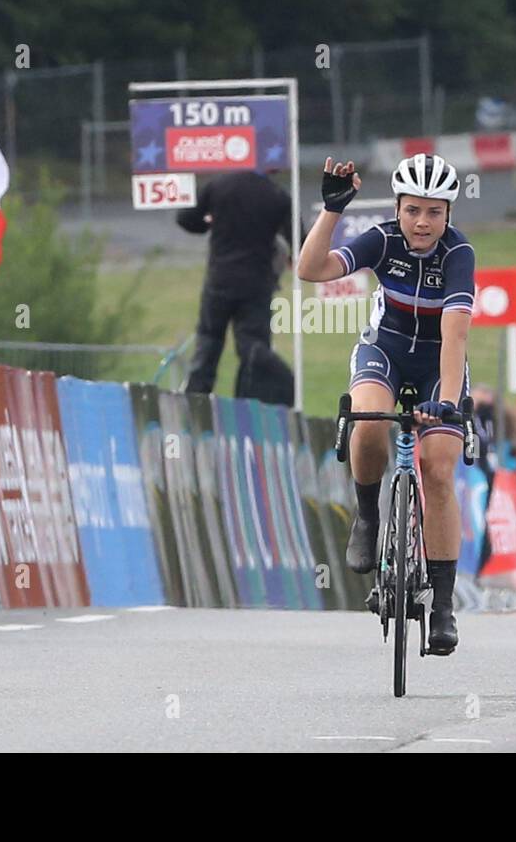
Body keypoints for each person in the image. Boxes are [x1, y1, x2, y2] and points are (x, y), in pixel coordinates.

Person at [297, 152, 473, 656]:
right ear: (397, 208)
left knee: (439, 470)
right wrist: (332, 210)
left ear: (448, 215)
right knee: (368, 423)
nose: (423, 222)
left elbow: (455, 333)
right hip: (386, 350)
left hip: (440, 360)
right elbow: (311, 270)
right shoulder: (383, 238)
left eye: (434, 212)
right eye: (413, 209)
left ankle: (441, 605)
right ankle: (369, 515)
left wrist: (443, 406)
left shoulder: (458, 255)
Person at [176, 169, 299, 395]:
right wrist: (290, 258)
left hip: (220, 279)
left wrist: (208, 223)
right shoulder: (278, 196)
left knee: (209, 339)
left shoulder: (218, 183)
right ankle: (249, 400)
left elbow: (185, 218)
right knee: (253, 346)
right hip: (257, 282)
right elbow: (299, 238)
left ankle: (196, 400)